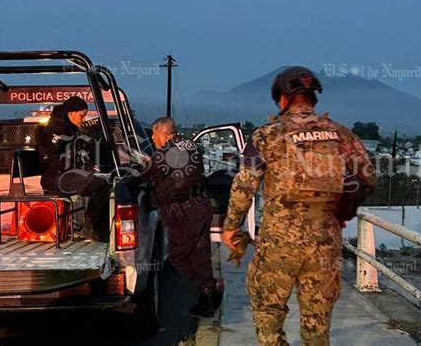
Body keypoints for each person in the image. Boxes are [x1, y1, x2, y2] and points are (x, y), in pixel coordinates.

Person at [222, 66, 377, 345]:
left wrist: (231, 227)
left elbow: (244, 187)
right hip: (325, 241)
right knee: (317, 322)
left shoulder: (266, 135)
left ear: (282, 98)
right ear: (313, 98)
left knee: (268, 311)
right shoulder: (340, 134)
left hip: (278, 242)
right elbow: (368, 178)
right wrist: (341, 209)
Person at [142, 117, 222, 318]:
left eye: (153, 134)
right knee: (201, 256)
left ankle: (209, 289)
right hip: (201, 205)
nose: (152, 138)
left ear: (164, 134)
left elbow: (144, 175)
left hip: (184, 213)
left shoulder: (166, 153)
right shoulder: (190, 145)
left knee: (178, 257)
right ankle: (208, 301)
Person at [37, 96, 111, 241]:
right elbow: (53, 158)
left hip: (67, 174)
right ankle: (90, 227)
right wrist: (79, 170)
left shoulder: (69, 128)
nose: (83, 119)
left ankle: (95, 226)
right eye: (81, 115)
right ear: (71, 113)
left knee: (104, 180)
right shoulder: (57, 129)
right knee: (101, 184)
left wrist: (88, 167)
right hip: (56, 177)